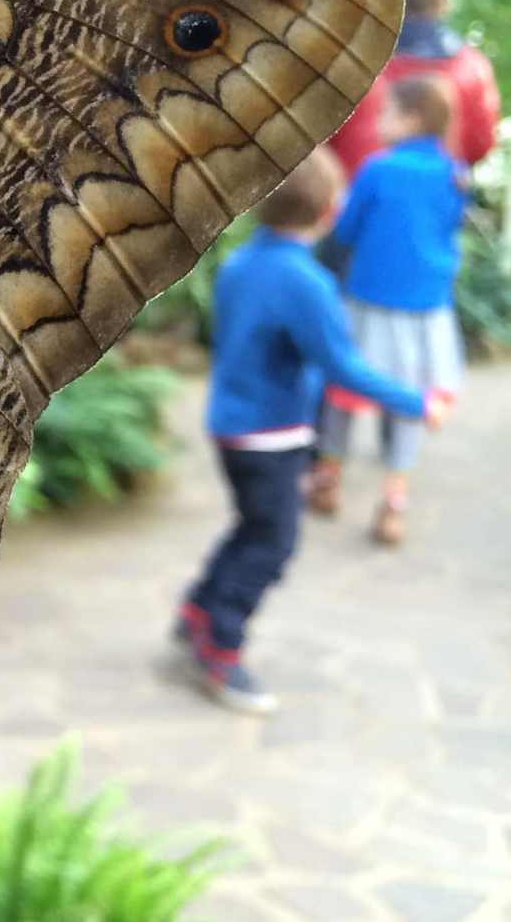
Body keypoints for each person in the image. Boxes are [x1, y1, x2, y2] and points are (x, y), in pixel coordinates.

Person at [175, 146, 435, 715]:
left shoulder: (241, 263)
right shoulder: (305, 283)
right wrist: (412, 401)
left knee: (253, 525)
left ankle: (198, 609)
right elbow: (342, 366)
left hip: (231, 425)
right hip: (270, 435)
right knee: (273, 541)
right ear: (327, 212)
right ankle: (220, 646)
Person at [307, 76, 467, 544]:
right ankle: (394, 503)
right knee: (410, 404)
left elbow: (347, 231)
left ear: (412, 119)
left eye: (386, 112)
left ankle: (328, 481)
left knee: (344, 389)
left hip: (371, 301)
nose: (378, 121)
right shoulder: (456, 173)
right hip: (428, 309)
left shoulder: (378, 169)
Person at [326, 0, 500, 179]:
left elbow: (321, 133)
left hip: (352, 192)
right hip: (433, 195)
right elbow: (481, 143)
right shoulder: (472, 67)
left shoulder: (356, 60)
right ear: (443, 4)